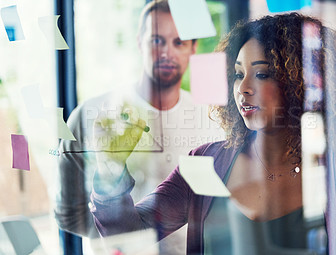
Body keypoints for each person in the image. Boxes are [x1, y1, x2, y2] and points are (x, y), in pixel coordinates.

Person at [89, 13, 336, 254]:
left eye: (262, 74)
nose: (243, 88)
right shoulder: (205, 163)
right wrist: (109, 167)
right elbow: (127, 232)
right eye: (237, 74)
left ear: (300, 83)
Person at [54, 0, 225, 253]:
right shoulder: (91, 116)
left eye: (179, 42)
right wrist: (121, 236)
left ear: (193, 48)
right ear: (139, 42)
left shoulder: (211, 121)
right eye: (157, 40)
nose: (167, 52)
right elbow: (68, 214)